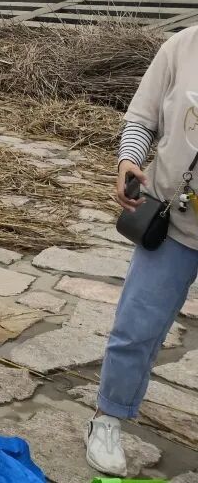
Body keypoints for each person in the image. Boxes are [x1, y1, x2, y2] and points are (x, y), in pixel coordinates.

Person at [84, 24, 198, 476]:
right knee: (136, 327)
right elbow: (142, 118)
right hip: (173, 222)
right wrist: (129, 159)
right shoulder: (182, 46)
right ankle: (108, 418)